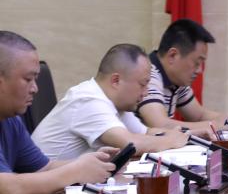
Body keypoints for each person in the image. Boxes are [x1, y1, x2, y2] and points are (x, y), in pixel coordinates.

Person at [0, 31, 114, 194]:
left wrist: (92, 163)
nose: (35, 89)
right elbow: (7, 190)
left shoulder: (11, 119)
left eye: (35, 79)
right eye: (28, 79)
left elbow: (43, 168)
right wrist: (74, 172)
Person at [34, 44, 190, 160]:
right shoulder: (88, 100)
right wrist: (170, 140)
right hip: (45, 189)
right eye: (142, 84)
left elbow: (145, 134)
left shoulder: (116, 103)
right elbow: (130, 144)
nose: (146, 92)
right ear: (116, 80)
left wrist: (175, 134)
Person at [136, 19, 228, 131]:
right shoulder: (148, 76)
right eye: (197, 63)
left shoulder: (176, 80)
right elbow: (161, 125)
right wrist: (215, 125)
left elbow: (199, 115)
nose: (199, 70)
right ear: (173, 55)